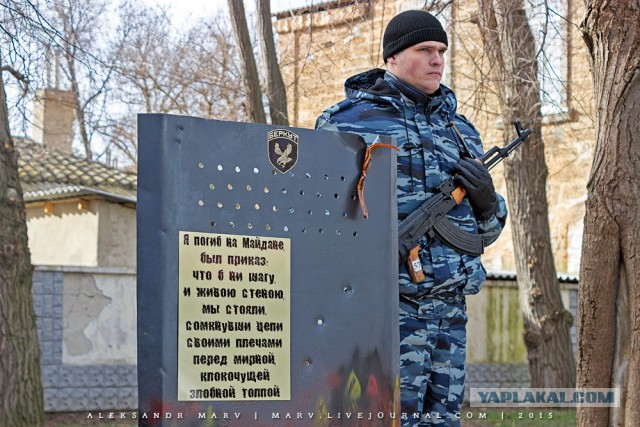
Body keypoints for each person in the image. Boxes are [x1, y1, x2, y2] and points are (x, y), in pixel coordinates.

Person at [315, 10, 508, 426]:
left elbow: (486, 233)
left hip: (450, 315)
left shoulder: (461, 132)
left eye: (441, 50)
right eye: (425, 50)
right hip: (386, 312)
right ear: (393, 57)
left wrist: (488, 201)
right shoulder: (346, 124)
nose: (437, 59)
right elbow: (322, 220)